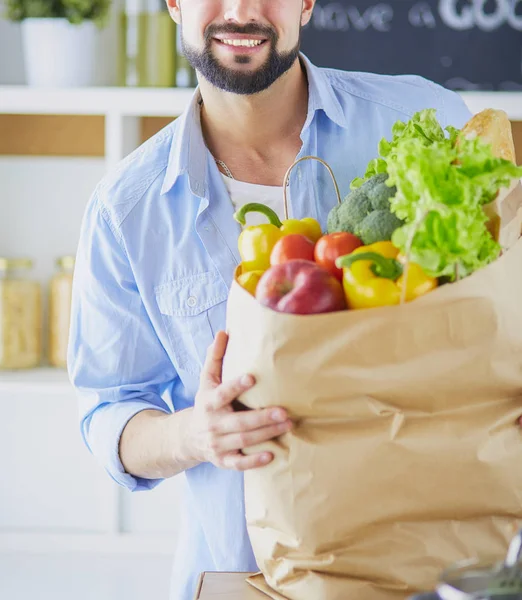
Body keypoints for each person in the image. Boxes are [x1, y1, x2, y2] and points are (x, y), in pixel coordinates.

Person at [67, 1, 476, 598]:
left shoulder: (424, 119)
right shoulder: (126, 212)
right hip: (245, 571)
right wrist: (194, 434)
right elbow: (108, 414)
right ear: (174, 3)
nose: (240, 10)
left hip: (428, 564)